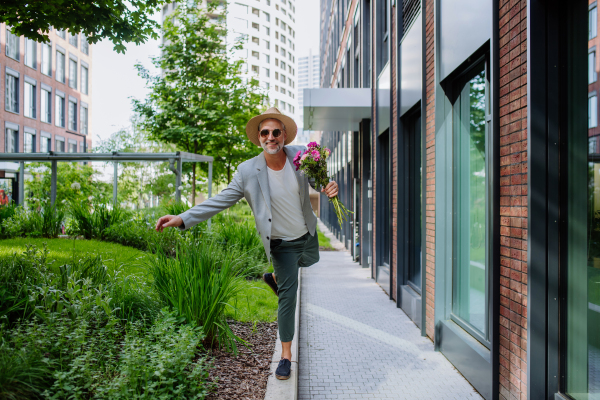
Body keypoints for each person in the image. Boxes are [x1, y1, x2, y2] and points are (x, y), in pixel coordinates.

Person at [155, 107, 339, 380]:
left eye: (276, 132)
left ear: (284, 135)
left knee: (312, 260)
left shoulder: (301, 156)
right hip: (280, 243)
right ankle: (286, 356)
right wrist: (183, 218)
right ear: (258, 137)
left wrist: (328, 185)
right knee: (289, 295)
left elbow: (318, 179)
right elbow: (221, 199)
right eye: (265, 132)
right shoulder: (247, 171)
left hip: (306, 235)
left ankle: (275, 277)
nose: (271, 137)